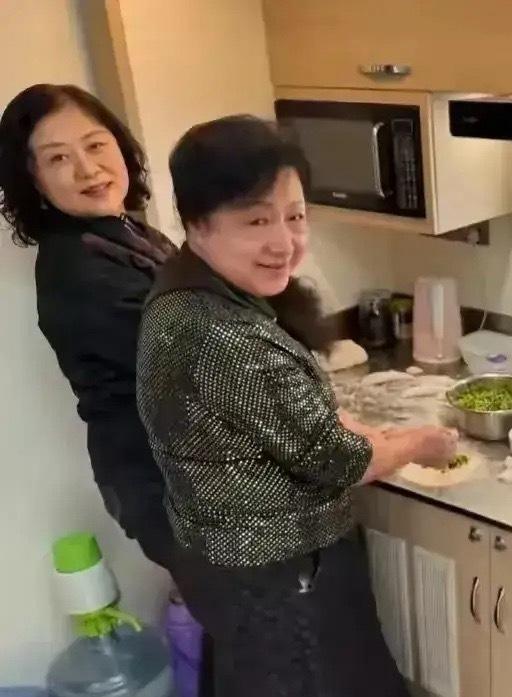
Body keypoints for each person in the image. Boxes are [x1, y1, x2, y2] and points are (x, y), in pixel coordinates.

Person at [136, 114, 457, 697]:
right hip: (276, 574)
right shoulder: (225, 336)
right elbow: (340, 462)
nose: (284, 243)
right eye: (256, 220)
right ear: (197, 222)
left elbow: (274, 424)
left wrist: (344, 424)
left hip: (226, 563)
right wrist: (422, 442)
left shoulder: (185, 291)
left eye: (295, 216)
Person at [0, 84, 177, 568]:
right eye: (58, 158)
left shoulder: (123, 231)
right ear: (34, 180)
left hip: (183, 471)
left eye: (96, 145)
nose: (88, 169)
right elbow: (191, 364)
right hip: (167, 484)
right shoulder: (80, 269)